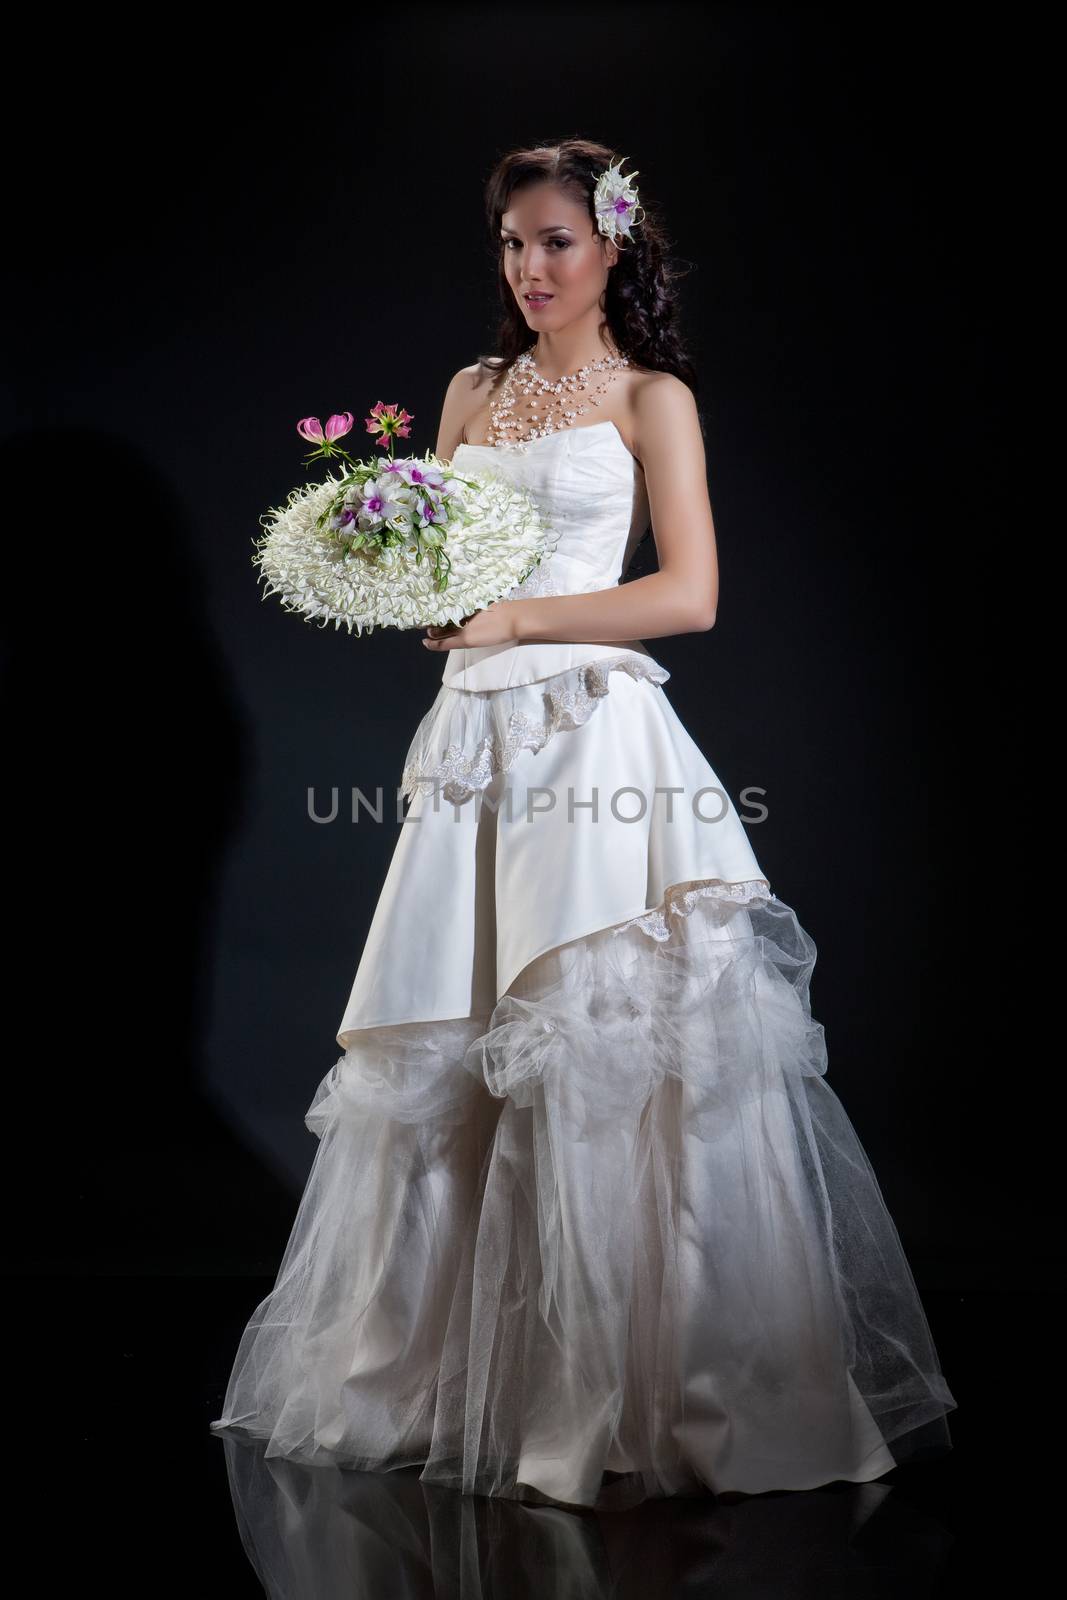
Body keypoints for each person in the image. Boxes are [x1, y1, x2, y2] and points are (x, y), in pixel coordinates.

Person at [210, 139, 957, 1513]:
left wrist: (519, 618)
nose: (529, 269)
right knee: (458, 1036)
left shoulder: (649, 396)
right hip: (478, 740)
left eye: (556, 241)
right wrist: (412, 597)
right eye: (510, 245)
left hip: (593, 735)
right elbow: (437, 567)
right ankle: (443, 1376)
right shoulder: (472, 388)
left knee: (604, 1041)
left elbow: (691, 594)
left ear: (615, 244)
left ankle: (636, 1383)